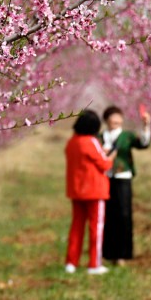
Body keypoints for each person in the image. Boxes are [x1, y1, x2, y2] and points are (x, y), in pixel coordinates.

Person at [99, 105, 151, 265]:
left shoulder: (127, 136)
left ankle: (122, 254)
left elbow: (143, 143)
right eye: (112, 117)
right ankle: (107, 253)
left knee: (123, 215)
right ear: (106, 119)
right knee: (107, 215)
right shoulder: (100, 137)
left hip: (123, 177)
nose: (115, 120)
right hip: (105, 178)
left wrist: (146, 125)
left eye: (118, 117)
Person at [64, 110, 113, 275]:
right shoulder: (91, 141)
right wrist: (111, 155)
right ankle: (94, 264)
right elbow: (105, 164)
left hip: (76, 191)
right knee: (96, 228)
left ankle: (71, 262)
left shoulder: (72, 142)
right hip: (94, 191)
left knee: (76, 226)